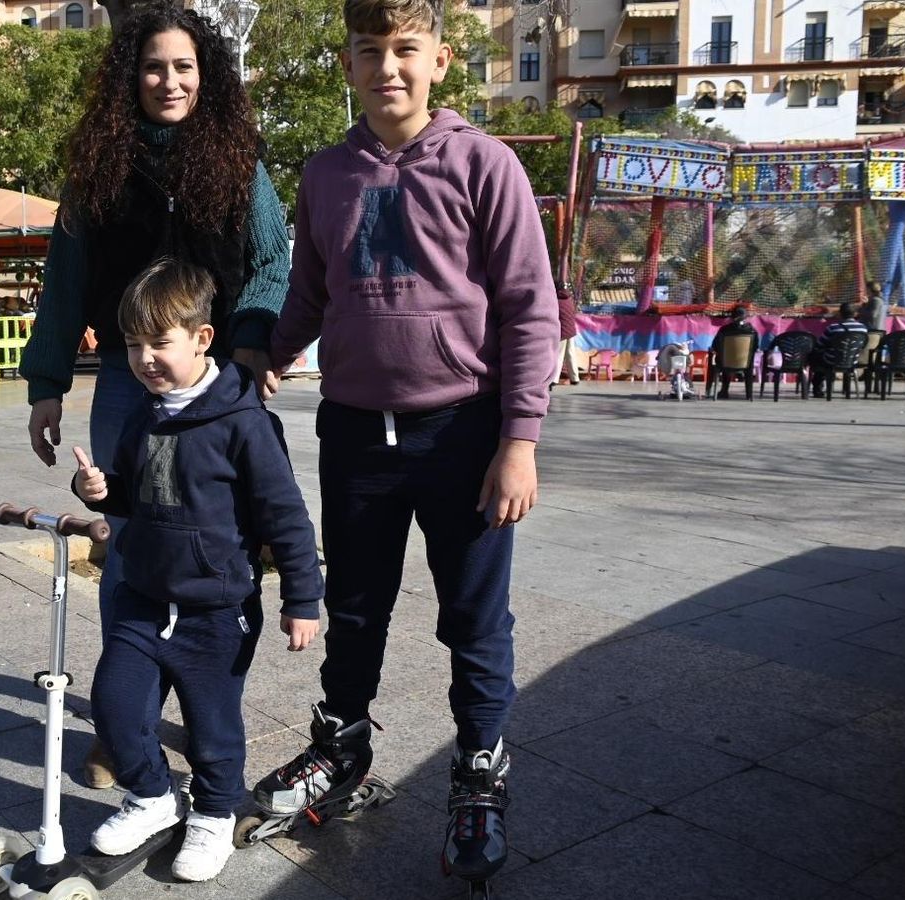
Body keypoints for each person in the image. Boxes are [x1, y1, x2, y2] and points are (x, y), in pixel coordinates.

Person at [257, 0, 560, 887]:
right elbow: (307, 296)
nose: (387, 67)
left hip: (462, 431)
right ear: (346, 65)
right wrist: (261, 360)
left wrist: (520, 440)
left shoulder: (484, 163)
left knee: (472, 618)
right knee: (354, 606)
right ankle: (342, 748)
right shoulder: (325, 174)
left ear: (440, 61)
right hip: (354, 430)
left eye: (404, 50)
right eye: (368, 51)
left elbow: (528, 310)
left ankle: (478, 772)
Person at [18, 0, 291, 789]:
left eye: (184, 67)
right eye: (152, 67)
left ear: (205, 75)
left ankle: (212, 719)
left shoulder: (240, 163)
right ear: (128, 77)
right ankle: (122, 728)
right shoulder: (97, 170)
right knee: (129, 551)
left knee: (216, 550)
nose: (168, 81)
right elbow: (63, 285)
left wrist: (248, 344)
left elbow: (273, 262)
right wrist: (46, 385)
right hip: (126, 393)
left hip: (219, 393)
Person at [71, 258, 323, 882]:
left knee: (212, 727)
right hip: (143, 599)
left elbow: (285, 515)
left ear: (202, 338)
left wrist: (303, 598)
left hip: (217, 611)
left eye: (160, 343)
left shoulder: (244, 421)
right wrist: (100, 492)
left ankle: (213, 813)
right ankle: (154, 800)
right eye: (133, 345)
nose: (145, 359)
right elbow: (135, 496)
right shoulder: (144, 415)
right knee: (115, 705)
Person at [810, 301, 869, 397]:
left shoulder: (833, 328)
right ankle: (846, 389)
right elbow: (863, 345)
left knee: (816, 356)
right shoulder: (863, 329)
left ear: (840, 314)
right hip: (852, 360)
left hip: (831, 360)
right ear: (855, 314)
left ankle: (817, 387)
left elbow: (820, 345)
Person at [710, 305, 756, 399]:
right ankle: (749, 394)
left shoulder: (724, 330)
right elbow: (755, 347)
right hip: (745, 363)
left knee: (723, 359)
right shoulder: (752, 331)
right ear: (746, 316)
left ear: (732, 316)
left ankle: (723, 390)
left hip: (725, 363)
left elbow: (714, 346)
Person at [555, 285, 579, 387]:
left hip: (563, 331)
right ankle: (575, 378)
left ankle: (554, 379)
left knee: (559, 355)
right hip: (571, 331)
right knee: (571, 354)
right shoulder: (569, 300)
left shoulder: (557, 301)